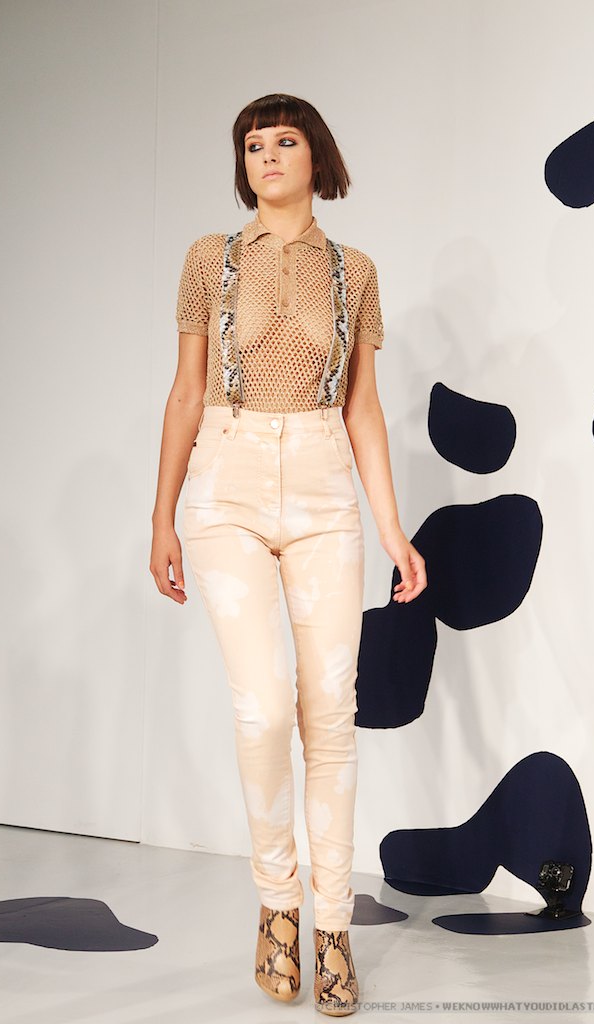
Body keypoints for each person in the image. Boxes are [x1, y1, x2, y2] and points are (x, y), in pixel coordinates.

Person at [150, 92, 427, 1016]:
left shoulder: (355, 271)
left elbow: (363, 408)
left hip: (320, 486)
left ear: (317, 157)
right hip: (224, 483)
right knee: (264, 710)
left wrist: (391, 528)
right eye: (252, 145)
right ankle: (277, 904)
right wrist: (160, 518)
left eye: (284, 140)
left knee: (330, 714)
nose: (266, 155)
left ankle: (332, 927)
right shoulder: (209, 259)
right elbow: (184, 394)